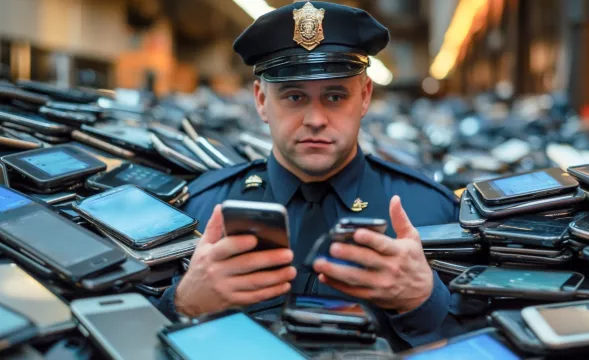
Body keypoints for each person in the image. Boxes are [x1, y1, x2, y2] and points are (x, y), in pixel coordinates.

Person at [152, 1, 461, 350]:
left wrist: (422, 300)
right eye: (294, 96)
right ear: (260, 101)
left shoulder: (431, 214)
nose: (315, 119)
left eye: (334, 96)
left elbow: (487, 341)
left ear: (364, 97)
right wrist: (183, 306)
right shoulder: (200, 210)